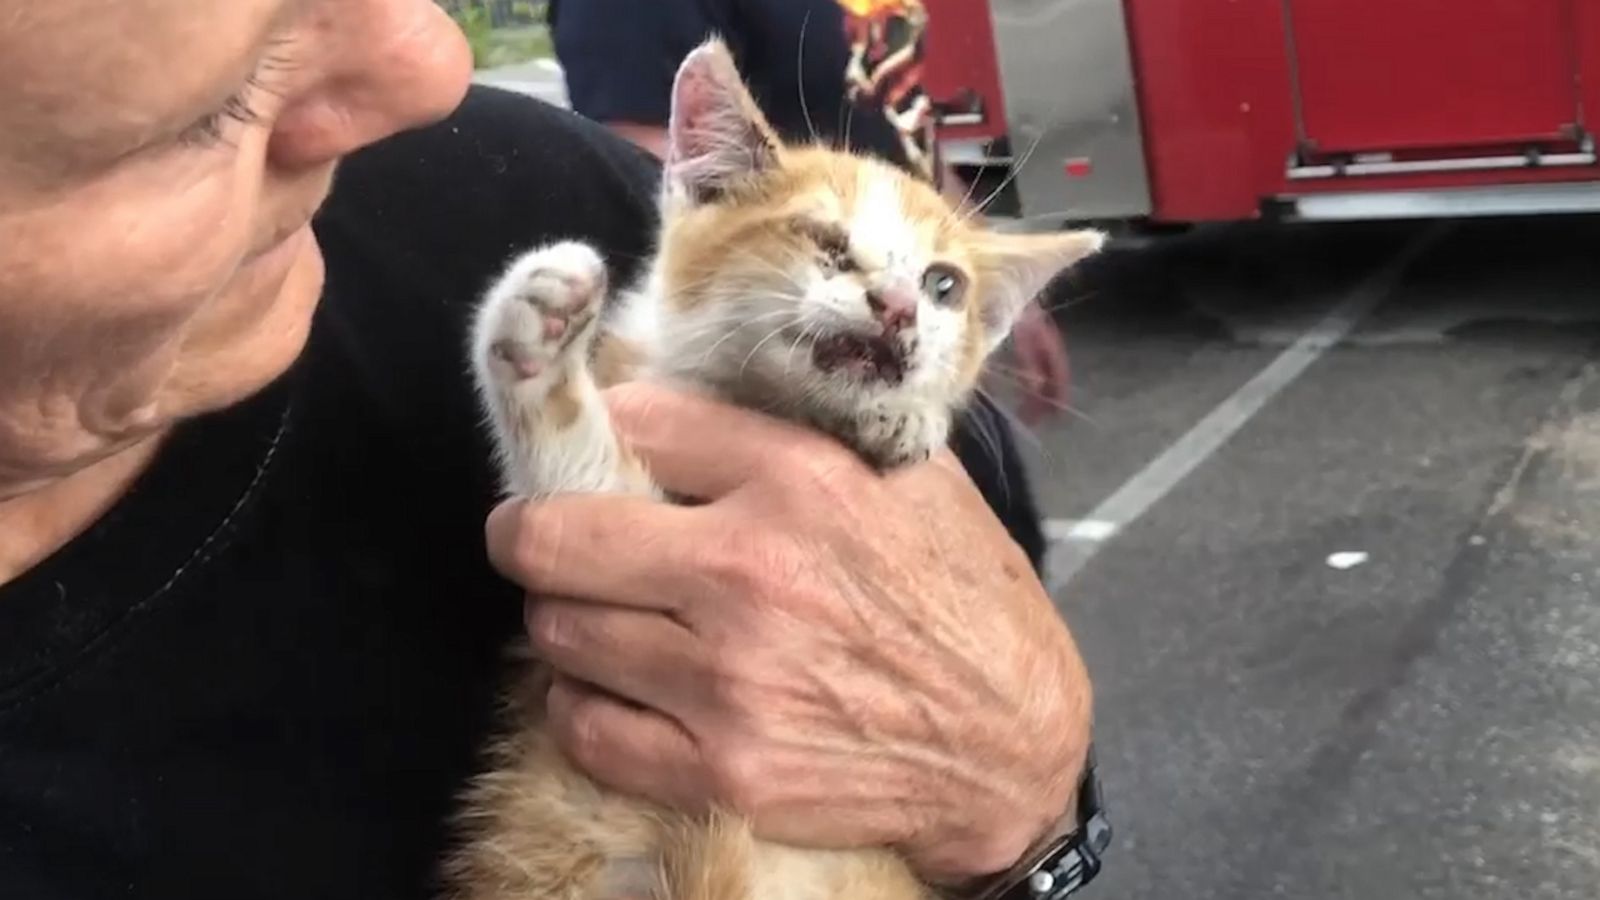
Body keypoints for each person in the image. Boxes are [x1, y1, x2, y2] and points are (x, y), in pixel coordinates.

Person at [0, 2, 1094, 898]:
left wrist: (1024, 800)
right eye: (212, 107)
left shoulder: (514, 192)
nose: (431, 62)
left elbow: (1001, 772)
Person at [550, 0, 1075, 433]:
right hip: (762, 392)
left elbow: (907, 124)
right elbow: (650, 156)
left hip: (907, 348)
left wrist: (990, 284)